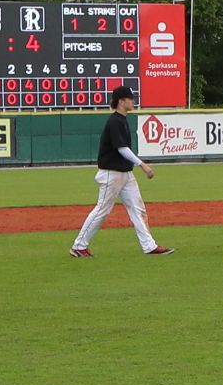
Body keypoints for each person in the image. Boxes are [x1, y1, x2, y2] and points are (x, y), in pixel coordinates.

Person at [69, 85, 172, 258]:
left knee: (138, 208)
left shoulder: (122, 119)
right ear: (121, 101)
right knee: (102, 209)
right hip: (111, 173)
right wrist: (143, 165)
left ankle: (149, 246)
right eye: (130, 98)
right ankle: (79, 246)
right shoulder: (115, 121)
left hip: (124, 173)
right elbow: (122, 149)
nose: (133, 101)